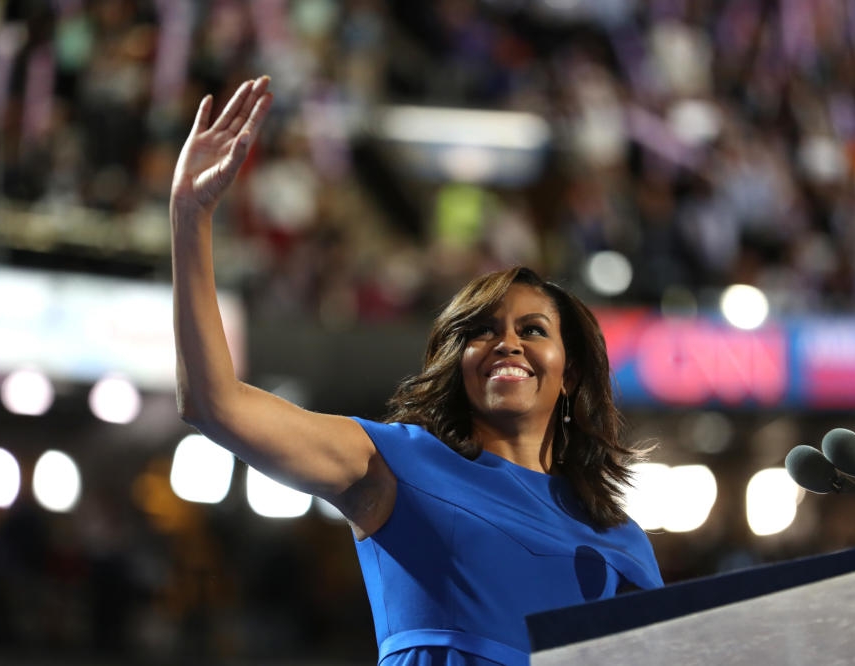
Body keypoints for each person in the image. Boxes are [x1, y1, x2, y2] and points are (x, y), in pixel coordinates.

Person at [170, 75, 663, 665]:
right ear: (460, 366)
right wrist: (189, 218)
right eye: (482, 331)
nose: (506, 343)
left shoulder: (621, 541)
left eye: (532, 330)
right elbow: (213, 403)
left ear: (572, 373)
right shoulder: (395, 464)